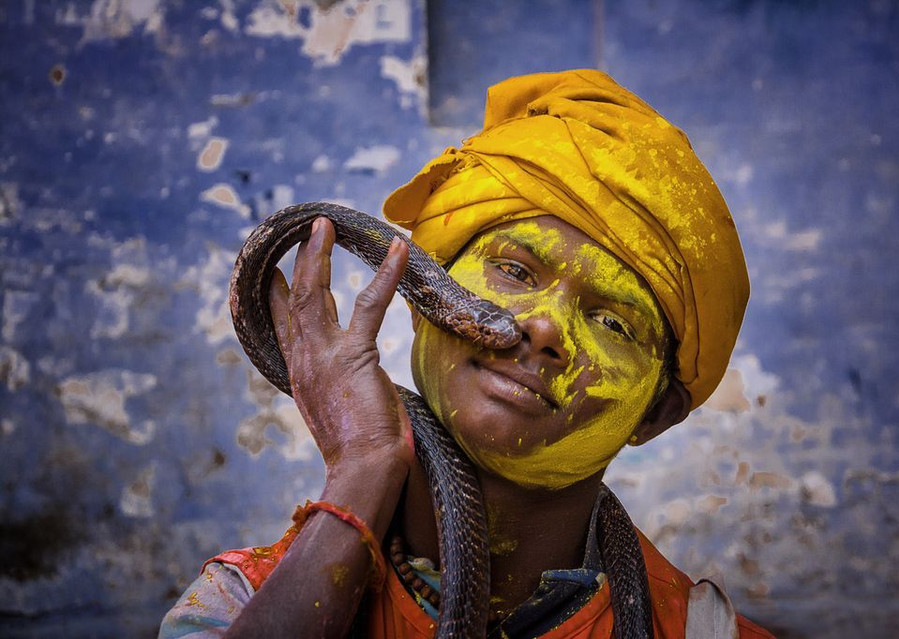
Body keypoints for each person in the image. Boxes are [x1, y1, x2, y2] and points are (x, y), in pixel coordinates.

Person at [160, 70, 775, 638]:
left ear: (657, 414)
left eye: (613, 322)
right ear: (422, 301)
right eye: (513, 270)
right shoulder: (237, 603)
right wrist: (364, 467)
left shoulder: (702, 631)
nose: (544, 327)